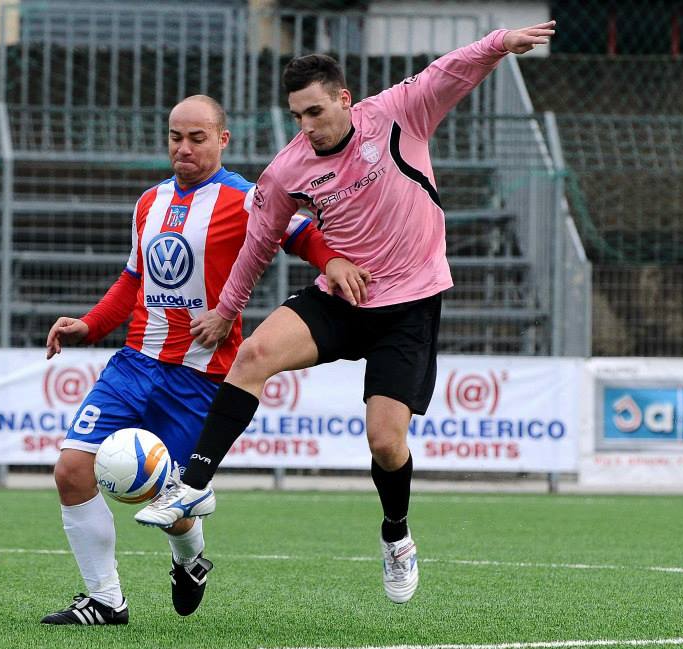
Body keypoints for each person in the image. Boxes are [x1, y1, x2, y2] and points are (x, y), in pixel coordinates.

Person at [134, 23, 556, 604]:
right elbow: (259, 243)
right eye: (297, 116)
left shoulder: (398, 113)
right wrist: (225, 310)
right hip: (342, 298)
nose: (307, 126)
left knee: (385, 443)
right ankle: (192, 484)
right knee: (254, 354)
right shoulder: (288, 169)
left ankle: (396, 536)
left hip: (409, 303)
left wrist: (499, 43)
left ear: (343, 99)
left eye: (315, 111)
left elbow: (448, 71)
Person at [40, 94, 369, 625]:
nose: (184, 148)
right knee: (71, 471)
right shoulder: (149, 202)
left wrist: (333, 261)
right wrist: (90, 324)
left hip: (199, 376)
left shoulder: (244, 198)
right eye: (176, 137)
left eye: (197, 138)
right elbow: (133, 280)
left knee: (174, 501)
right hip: (134, 365)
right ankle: (105, 600)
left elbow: (303, 234)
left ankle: (190, 562)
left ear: (222, 139)